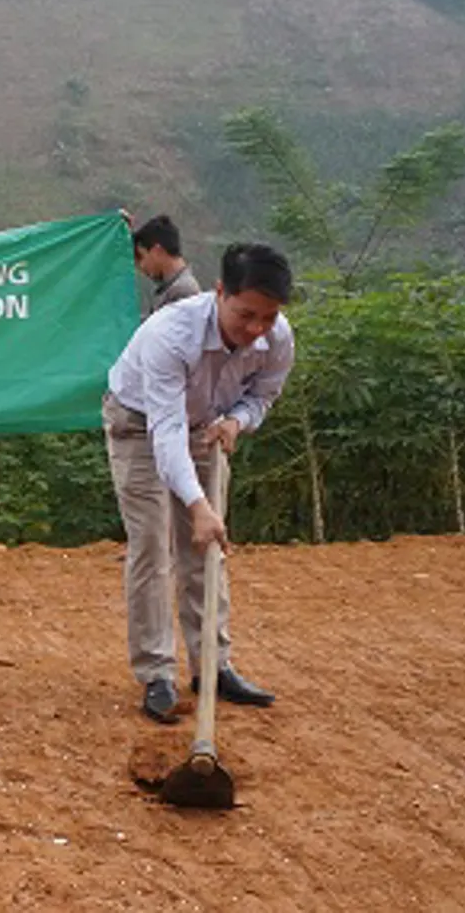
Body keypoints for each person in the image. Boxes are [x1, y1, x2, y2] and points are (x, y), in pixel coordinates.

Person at [103, 242, 294, 724]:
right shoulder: (169, 335)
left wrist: (238, 421)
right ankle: (156, 674)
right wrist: (197, 504)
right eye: (245, 315)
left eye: (267, 318)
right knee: (152, 545)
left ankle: (214, 665)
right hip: (140, 425)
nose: (256, 330)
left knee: (206, 549)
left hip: (206, 426)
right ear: (219, 292)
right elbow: (164, 435)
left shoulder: (278, 338)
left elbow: (262, 396)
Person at [132, 215, 201, 317]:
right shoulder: (172, 288)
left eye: (141, 257)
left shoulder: (183, 291)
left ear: (157, 251)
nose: (141, 267)